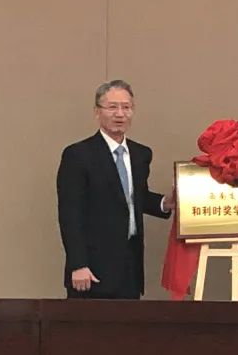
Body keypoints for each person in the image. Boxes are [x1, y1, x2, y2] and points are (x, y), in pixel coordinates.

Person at [57, 80, 174, 299]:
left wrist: (165, 203)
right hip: (91, 269)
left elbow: (135, 197)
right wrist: (78, 264)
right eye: (112, 107)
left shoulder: (140, 154)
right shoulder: (78, 155)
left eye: (126, 107)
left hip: (130, 266)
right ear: (97, 112)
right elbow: (70, 214)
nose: (120, 114)